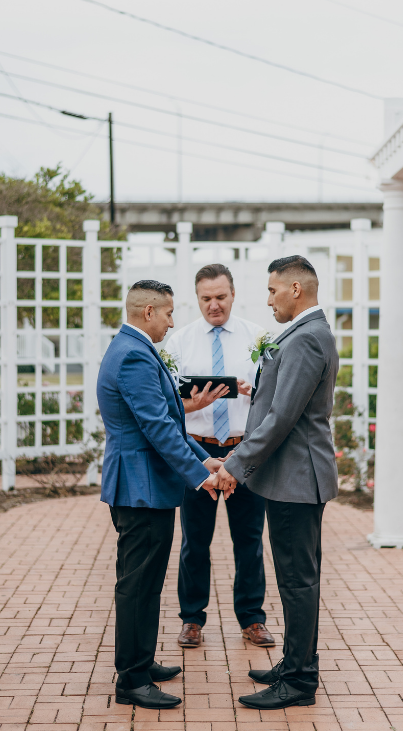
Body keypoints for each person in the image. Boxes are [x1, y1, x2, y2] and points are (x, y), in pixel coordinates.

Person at [215, 255, 339, 711]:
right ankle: (295, 663)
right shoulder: (305, 333)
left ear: (296, 291)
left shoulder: (307, 338)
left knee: (298, 581)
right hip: (291, 477)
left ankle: (300, 681)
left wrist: (235, 463)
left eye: (272, 291)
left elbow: (281, 417)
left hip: (297, 479)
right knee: (295, 578)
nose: (267, 300)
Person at [97, 280, 225, 711]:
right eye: (169, 313)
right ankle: (131, 679)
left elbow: (168, 422)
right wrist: (200, 476)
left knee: (148, 583)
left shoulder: (131, 348)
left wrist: (202, 459)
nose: (173, 321)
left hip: (144, 485)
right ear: (148, 311)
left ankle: (142, 661)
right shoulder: (133, 354)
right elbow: (156, 428)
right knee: (137, 585)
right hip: (139, 487)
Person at [165, 263, 275, 649]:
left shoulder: (257, 338)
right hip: (197, 450)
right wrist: (192, 403)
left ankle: (252, 619)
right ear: (196, 298)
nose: (214, 305)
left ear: (233, 294)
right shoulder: (179, 342)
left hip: (245, 450)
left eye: (221, 297)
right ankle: (191, 619)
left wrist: (250, 393)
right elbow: (167, 405)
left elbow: (275, 398)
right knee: (195, 540)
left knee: (249, 539)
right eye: (206, 298)